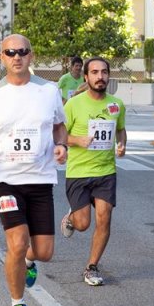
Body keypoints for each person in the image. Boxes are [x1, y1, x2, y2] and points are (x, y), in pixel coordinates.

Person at [0, 34, 68, 306]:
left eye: (22, 52)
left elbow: (59, 126)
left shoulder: (49, 91)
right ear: (1, 57)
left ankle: (29, 262)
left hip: (40, 179)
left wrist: (62, 146)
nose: (17, 57)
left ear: (31, 55)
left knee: (43, 251)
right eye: (10, 52)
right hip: (6, 179)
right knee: (16, 243)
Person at [60, 57, 126, 287]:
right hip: (78, 172)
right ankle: (71, 217)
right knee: (83, 224)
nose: (100, 76)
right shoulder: (73, 105)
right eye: (95, 72)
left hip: (105, 171)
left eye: (104, 72)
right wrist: (77, 139)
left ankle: (92, 266)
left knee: (104, 218)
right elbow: (57, 135)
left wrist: (122, 143)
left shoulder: (116, 104)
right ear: (86, 77)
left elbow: (120, 129)